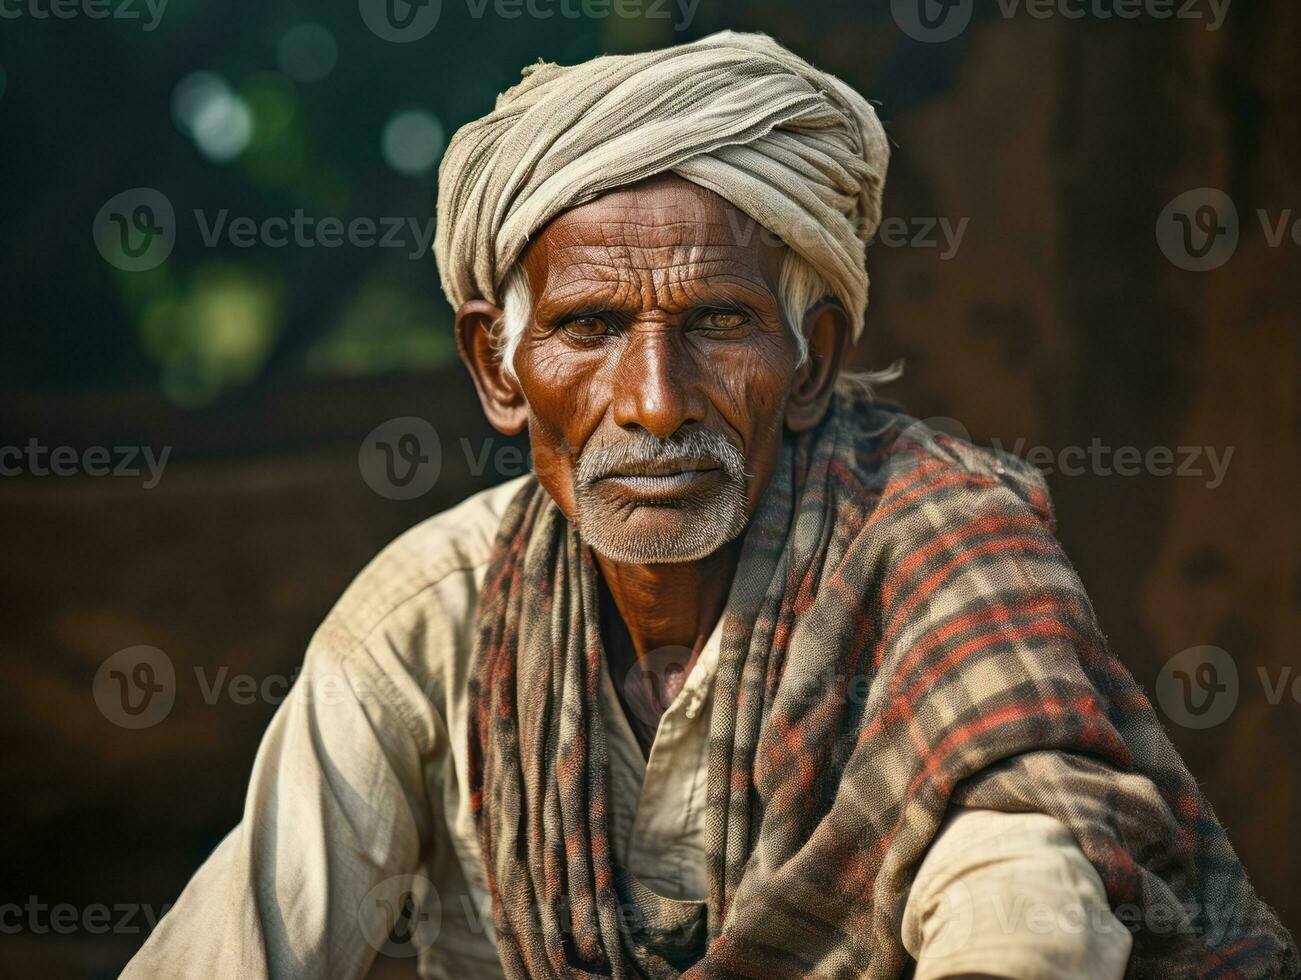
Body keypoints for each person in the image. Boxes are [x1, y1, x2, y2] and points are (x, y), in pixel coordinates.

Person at [124, 31, 1297, 979]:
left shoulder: (943, 551)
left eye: (717, 324)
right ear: (495, 368)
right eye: (587, 328)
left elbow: (1024, 885)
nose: (650, 402)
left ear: (812, 359)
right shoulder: (430, 620)